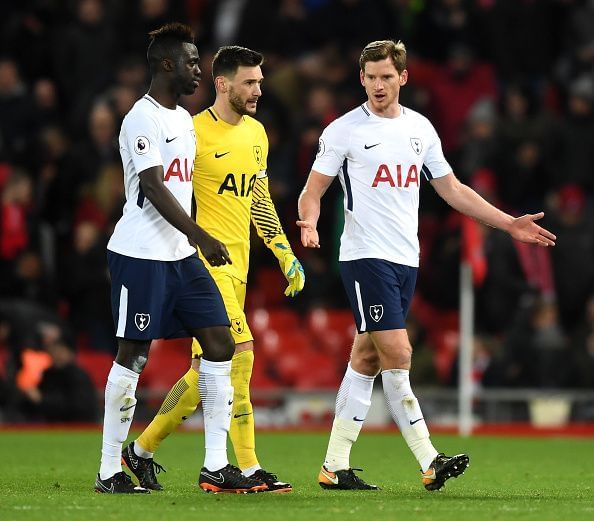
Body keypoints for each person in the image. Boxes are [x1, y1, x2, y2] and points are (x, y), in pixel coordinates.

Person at [297, 40, 556, 491]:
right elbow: (312, 190)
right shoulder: (344, 130)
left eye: (386, 76)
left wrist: (508, 224)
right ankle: (429, 458)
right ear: (361, 79)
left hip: (405, 259)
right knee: (399, 352)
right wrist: (310, 223)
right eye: (371, 77)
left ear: (403, 77)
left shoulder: (420, 129)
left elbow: (453, 190)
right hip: (365, 257)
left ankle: (334, 465)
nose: (379, 85)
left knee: (367, 357)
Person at [121, 46, 304, 493]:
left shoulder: (258, 134)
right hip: (203, 265)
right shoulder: (192, 132)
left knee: (205, 373)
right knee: (241, 356)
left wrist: (283, 252)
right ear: (222, 84)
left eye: (260, 81)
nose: (259, 90)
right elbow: (164, 189)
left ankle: (139, 450)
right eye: (250, 82)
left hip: (237, 268)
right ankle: (245, 466)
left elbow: (258, 199)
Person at [95, 24, 266, 495]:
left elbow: (185, 190)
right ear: (168, 65)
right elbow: (152, 188)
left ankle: (215, 465)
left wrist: (195, 240)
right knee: (133, 357)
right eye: (192, 62)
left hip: (182, 255)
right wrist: (202, 235)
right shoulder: (141, 119)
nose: (199, 69)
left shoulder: (184, 121)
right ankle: (109, 470)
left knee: (219, 345)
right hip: (141, 255)